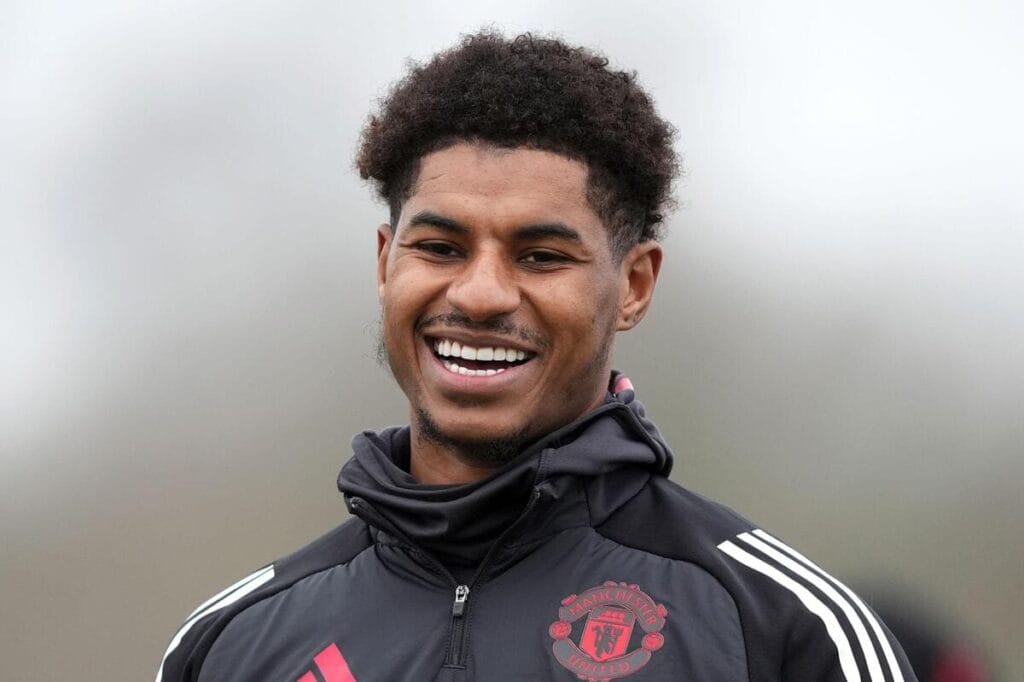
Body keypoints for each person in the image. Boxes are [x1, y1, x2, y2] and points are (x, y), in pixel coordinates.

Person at [156, 31, 917, 682]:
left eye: (542, 256)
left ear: (634, 286)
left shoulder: (783, 630)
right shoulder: (231, 645)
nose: (481, 294)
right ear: (386, 263)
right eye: (440, 247)